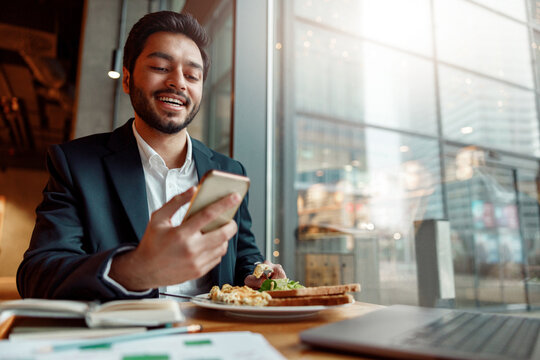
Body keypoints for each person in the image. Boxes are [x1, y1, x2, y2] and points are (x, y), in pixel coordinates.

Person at [17, 11, 285, 300]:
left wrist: (257, 273)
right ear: (127, 79)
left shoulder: (229, 170)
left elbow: (243, 254)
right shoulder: (76, 164)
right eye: (160, 67)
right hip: (129, 334)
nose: (178, 82)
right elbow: (37, 274)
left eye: (192, 75)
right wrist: (136, 269)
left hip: (215, 331)